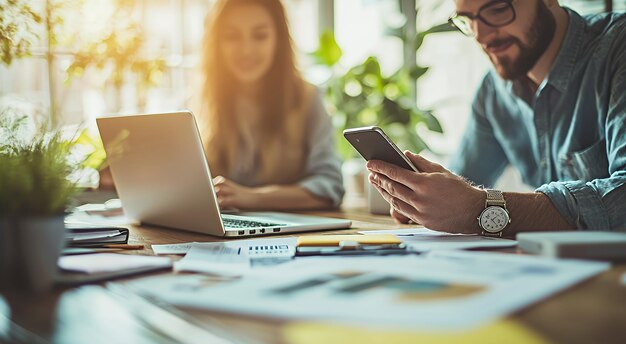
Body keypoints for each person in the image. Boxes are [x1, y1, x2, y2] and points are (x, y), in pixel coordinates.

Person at [367, 0, 626, 237]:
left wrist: (478, 208)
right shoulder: (494, 92)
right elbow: (463, 182)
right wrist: (428, 200)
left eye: (498, 9)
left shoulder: (618, 48)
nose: (482, 35)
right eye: (468, 19)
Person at [194, 0, 344, 211]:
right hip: (217, 233)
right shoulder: (200, 103)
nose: (246, 50)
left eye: (260, 35)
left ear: (278, 40)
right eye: (231, 36)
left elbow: (330, 186)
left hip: (291, 233)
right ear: (217, 43)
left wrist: (252, 198)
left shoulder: (307, 98)